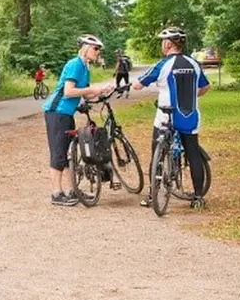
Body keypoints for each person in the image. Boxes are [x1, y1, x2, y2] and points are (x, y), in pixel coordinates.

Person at [133, 27, 211, 208]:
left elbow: (137, 85)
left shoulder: (163, 64)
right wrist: (193, 94)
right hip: (190, 116)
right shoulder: (194, 63)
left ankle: (153, 196)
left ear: (168, 44)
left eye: (163, 42)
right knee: (193, 155)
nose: (162, 45)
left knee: (157, 154)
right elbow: (205, 87)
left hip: (166, 117)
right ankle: (198, 197)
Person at [43, 34, 114, 207]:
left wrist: (101, 91)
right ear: (85, 48)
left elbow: (86, 92)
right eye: (95, 48)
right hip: (57, 112)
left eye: (99, 49)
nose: (98, 52)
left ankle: (71, 190)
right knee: (59, 152)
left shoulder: (85, 67)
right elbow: (68, 91)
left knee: (69, 153)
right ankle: (56, 193)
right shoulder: (75, 64)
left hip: (66, 113)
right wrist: (92, 89)